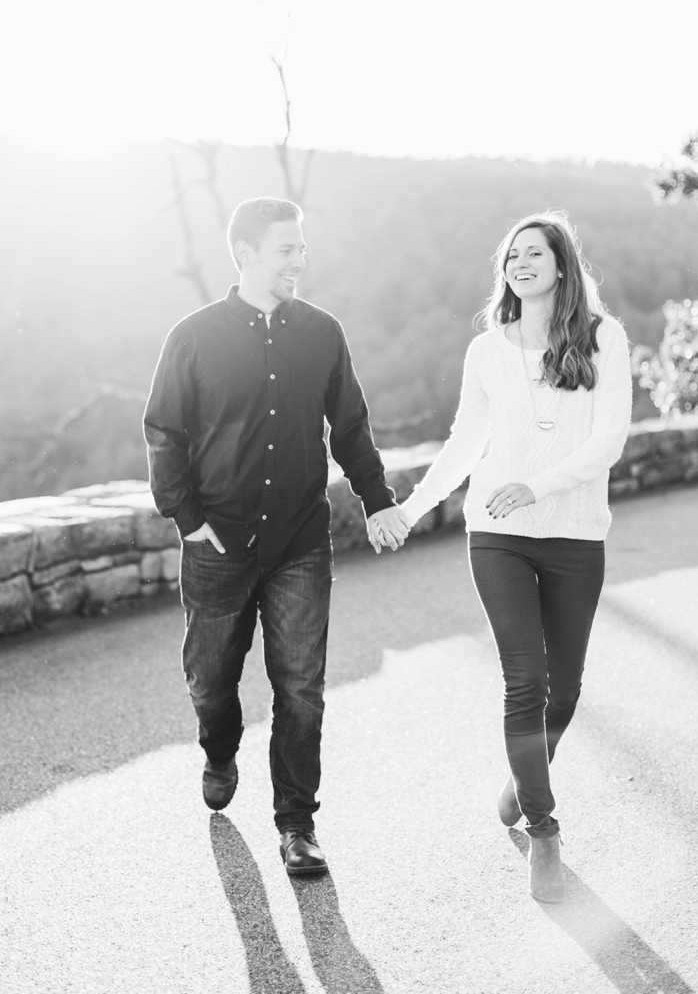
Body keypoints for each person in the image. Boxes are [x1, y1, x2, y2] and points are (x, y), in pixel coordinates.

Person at [143, 196, 408, 876]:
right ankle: (219, 746)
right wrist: (190, 520)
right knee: (210, 678)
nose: (300, 260)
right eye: (287, 249)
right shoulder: (194, 336)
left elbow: (349, 425)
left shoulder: (322, 333)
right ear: (247, 255)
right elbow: (164, 431)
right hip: (217, 545)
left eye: (302, 247)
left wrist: (378, 500)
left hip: (299, 542)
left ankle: (297, 822)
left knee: (301, 687)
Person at [397, 210, 632, 902]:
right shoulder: (487, 350)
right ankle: (545, 826)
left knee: (566, 691)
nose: (521, 262)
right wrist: (411, 509)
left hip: (574, 531)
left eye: (536, 252)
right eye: (512, 254)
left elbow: (610, 438)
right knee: (525, 681)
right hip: (495, 531)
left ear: (562, 264)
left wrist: (539, 485)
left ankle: (519, 783)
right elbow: (465, 441)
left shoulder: (602, 337)